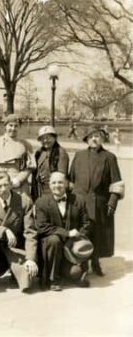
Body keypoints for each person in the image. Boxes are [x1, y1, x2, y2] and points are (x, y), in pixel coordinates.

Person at [69, 125, 124, 277]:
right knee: (81, 233)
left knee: (97, 234)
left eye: (97, 136)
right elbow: (70, 180)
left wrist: (112, 202)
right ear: (86, 139)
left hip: (99, 203)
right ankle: (83, 262)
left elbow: (117, 183)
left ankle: (95, 261)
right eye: (91, 136)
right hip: (79, 202)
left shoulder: (109, 157)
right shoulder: (79, 155)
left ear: (102, 138)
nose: (94, 139)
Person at [0, 170, 38, 292]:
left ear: (11, 184)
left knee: (26, 283)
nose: (3, 189)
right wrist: (4, 230)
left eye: (6, 185)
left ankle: (15, 271)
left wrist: (31, 258)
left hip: (16, 246)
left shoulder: (24, 201)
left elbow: (30, 231)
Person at [35, 172, 92, 291]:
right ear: (49, 185)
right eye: (54, 182)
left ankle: (69, 270)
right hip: (52, 247)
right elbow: (41, 226)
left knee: (75, 273)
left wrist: (76, 237)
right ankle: (52, 279)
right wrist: (66, 233)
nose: (57, 185)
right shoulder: (42, 202)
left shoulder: (79, 200)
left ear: (66, 184)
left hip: (71, 247)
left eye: (60, 182)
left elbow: (86, 224)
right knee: (54, 240)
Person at [0, 114, 35, 197]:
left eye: (16, 126)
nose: (13, 129)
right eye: (10, 125)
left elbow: (30, 166)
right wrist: (2, 177)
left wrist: (18, 179)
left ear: (19, 127)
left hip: (18, 183)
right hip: (0, 181)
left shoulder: (26, 144)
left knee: (20, 206)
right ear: (5, 126)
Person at [33, 126, 69, 200]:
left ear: (54, 138)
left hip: (54, 189)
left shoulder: (60, 153)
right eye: (42, 138)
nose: (45, 140)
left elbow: (61, 175)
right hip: (40, 190)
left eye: (48, 137)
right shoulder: (39, 152)